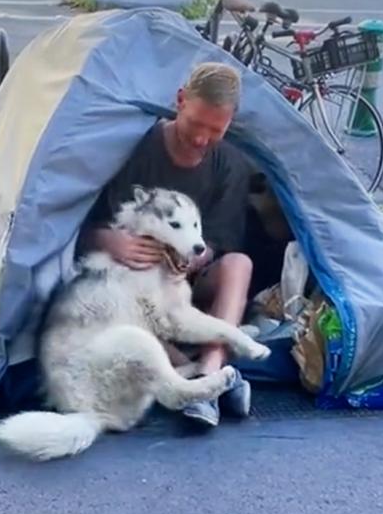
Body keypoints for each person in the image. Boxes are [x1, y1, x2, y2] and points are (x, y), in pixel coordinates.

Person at [79, 61, 253, 429]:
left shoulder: (230, 164)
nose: (202, 139)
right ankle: (190, 375)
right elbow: (76, 218)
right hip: (135, 284)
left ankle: (210, 371)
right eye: (195, 124)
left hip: (188, 283)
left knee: (239, 264)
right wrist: (107, 240)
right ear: (179, 102)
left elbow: (222, 240)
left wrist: (196, 259)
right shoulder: (136, 148)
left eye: (216, 130)